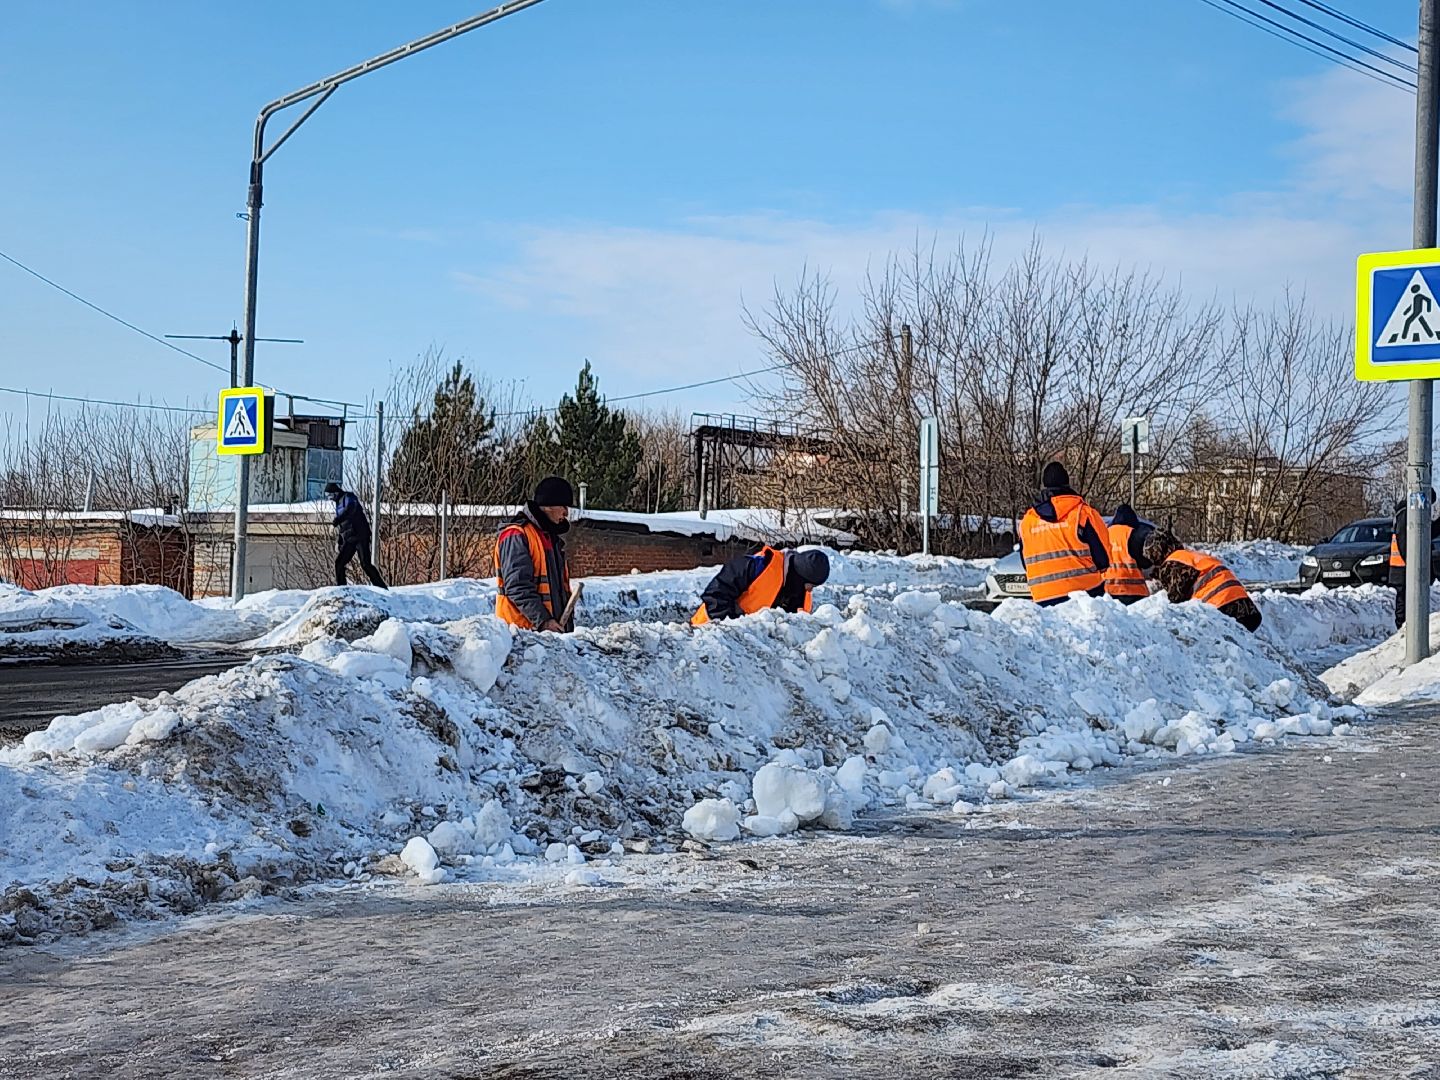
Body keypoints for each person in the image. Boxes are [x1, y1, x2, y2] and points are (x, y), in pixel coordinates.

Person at [1019, 462, 1110, 606]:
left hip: (1042, 597)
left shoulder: (1027, 521)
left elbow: (1026, 563)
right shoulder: (1083, 514)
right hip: (1085, 595)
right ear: (1067, 483)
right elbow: (1103, 559)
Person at [495, 476, 575, 632]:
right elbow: (518, 587)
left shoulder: (550, 539)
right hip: (520, 637)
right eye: (563, 506)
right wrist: (544, 621)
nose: (566, 513)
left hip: (547, 635)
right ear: (548, 506)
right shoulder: (517, 535)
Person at [1143, 529, 1261, 632]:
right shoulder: (1192, 556)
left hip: (1221, 606)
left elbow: (1176, 600)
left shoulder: (1171, 564)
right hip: (1246, 606)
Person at [691, 546, 830, 625]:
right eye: (809, 584)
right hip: (704, 636)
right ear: (799, 576)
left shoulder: (798, 593)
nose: (810, 590)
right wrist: (733, 627)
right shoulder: (756, 566)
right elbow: (715, 595)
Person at [1388, 490, 1438, 630]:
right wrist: (1415, 565)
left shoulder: (1409, 512)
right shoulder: (1408, 514)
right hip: (1404, 568)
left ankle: (1409, 629)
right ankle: (1404, 631)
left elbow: (1426, 532)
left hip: (1403, 568)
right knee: (1405, 602)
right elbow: (1405, 540)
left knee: (1408, 600)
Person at [324, 482, 387, 589]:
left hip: (360, 535)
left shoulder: (349, 497)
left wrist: (335, 522)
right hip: (349, 539)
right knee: (339, 563)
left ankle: (382, 588)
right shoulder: (338, 505)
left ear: (335, 493)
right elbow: (343, 526)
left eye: (330, 495)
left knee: (365, 564)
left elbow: (350, 510)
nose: (329, 498)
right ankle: (342, 590)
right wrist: (339, 541)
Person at [1103, 503, 1153, 604]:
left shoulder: (1105, 533)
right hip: (1134, 592)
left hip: (1108, 590)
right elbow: (1145, 562)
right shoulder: (1133, 534)